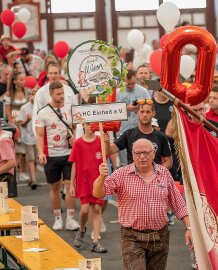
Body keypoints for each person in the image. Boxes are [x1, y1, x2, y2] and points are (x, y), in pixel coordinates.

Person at [93, 138, 193, 269]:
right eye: (137, 153)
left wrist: (189, 228)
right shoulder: (121, 174)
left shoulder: (164, 173)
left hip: (160, 236)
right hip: (132, 237)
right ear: (132, 155)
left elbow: (178, 203)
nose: (142, 157)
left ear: (153, 153)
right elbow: (98, 193)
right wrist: (101, 177)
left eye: (146, 153)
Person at [35, 81, 80, 231]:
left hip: (68, 153)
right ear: (51, 94)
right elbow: (40, 135)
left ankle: (71, 219)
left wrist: (74, 137)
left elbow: (75, 128)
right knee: (54, 187)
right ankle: (57, 218)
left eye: (63, 93)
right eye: (58, 94)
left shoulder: (70, 109)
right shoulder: (42, 113)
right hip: (51, 155)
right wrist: (41, 152)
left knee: (70, 186)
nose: (62, 97)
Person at [69, 123, 107, 253]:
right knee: (84, 210)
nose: (90, 126)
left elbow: (105, 160)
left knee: (97, 209)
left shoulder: (100, 141)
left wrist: (106, 143)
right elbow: (74, 164)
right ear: (83, 125)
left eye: (93, 124)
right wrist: (71, 184)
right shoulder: (78, 143)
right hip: (83, 181)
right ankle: (82, 229)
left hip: (97, 181)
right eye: (87, 124)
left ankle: (96, 241)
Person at [105, 100, 172, 169]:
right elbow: (109, 151)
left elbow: (169, 162)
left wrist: (156, 173)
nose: (145, 115)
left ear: (153, 113)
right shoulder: (128, 134)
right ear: (137, 113)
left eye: (148, 112)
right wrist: (106, 142)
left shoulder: (161, 136)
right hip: (133, 177)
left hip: (154, 178)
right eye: (142, 112)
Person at [17, 88, 38, 189]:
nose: (33, 96)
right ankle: (34, 180)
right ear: (29, 96)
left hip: (38, 137)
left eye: (35, 94)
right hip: (28, 136)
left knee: (36, 161)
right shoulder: (24, 108)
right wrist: (27, 120)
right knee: (30, 158)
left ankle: (31, 177)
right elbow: (21, 123)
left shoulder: (41, 106)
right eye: (32, 94)